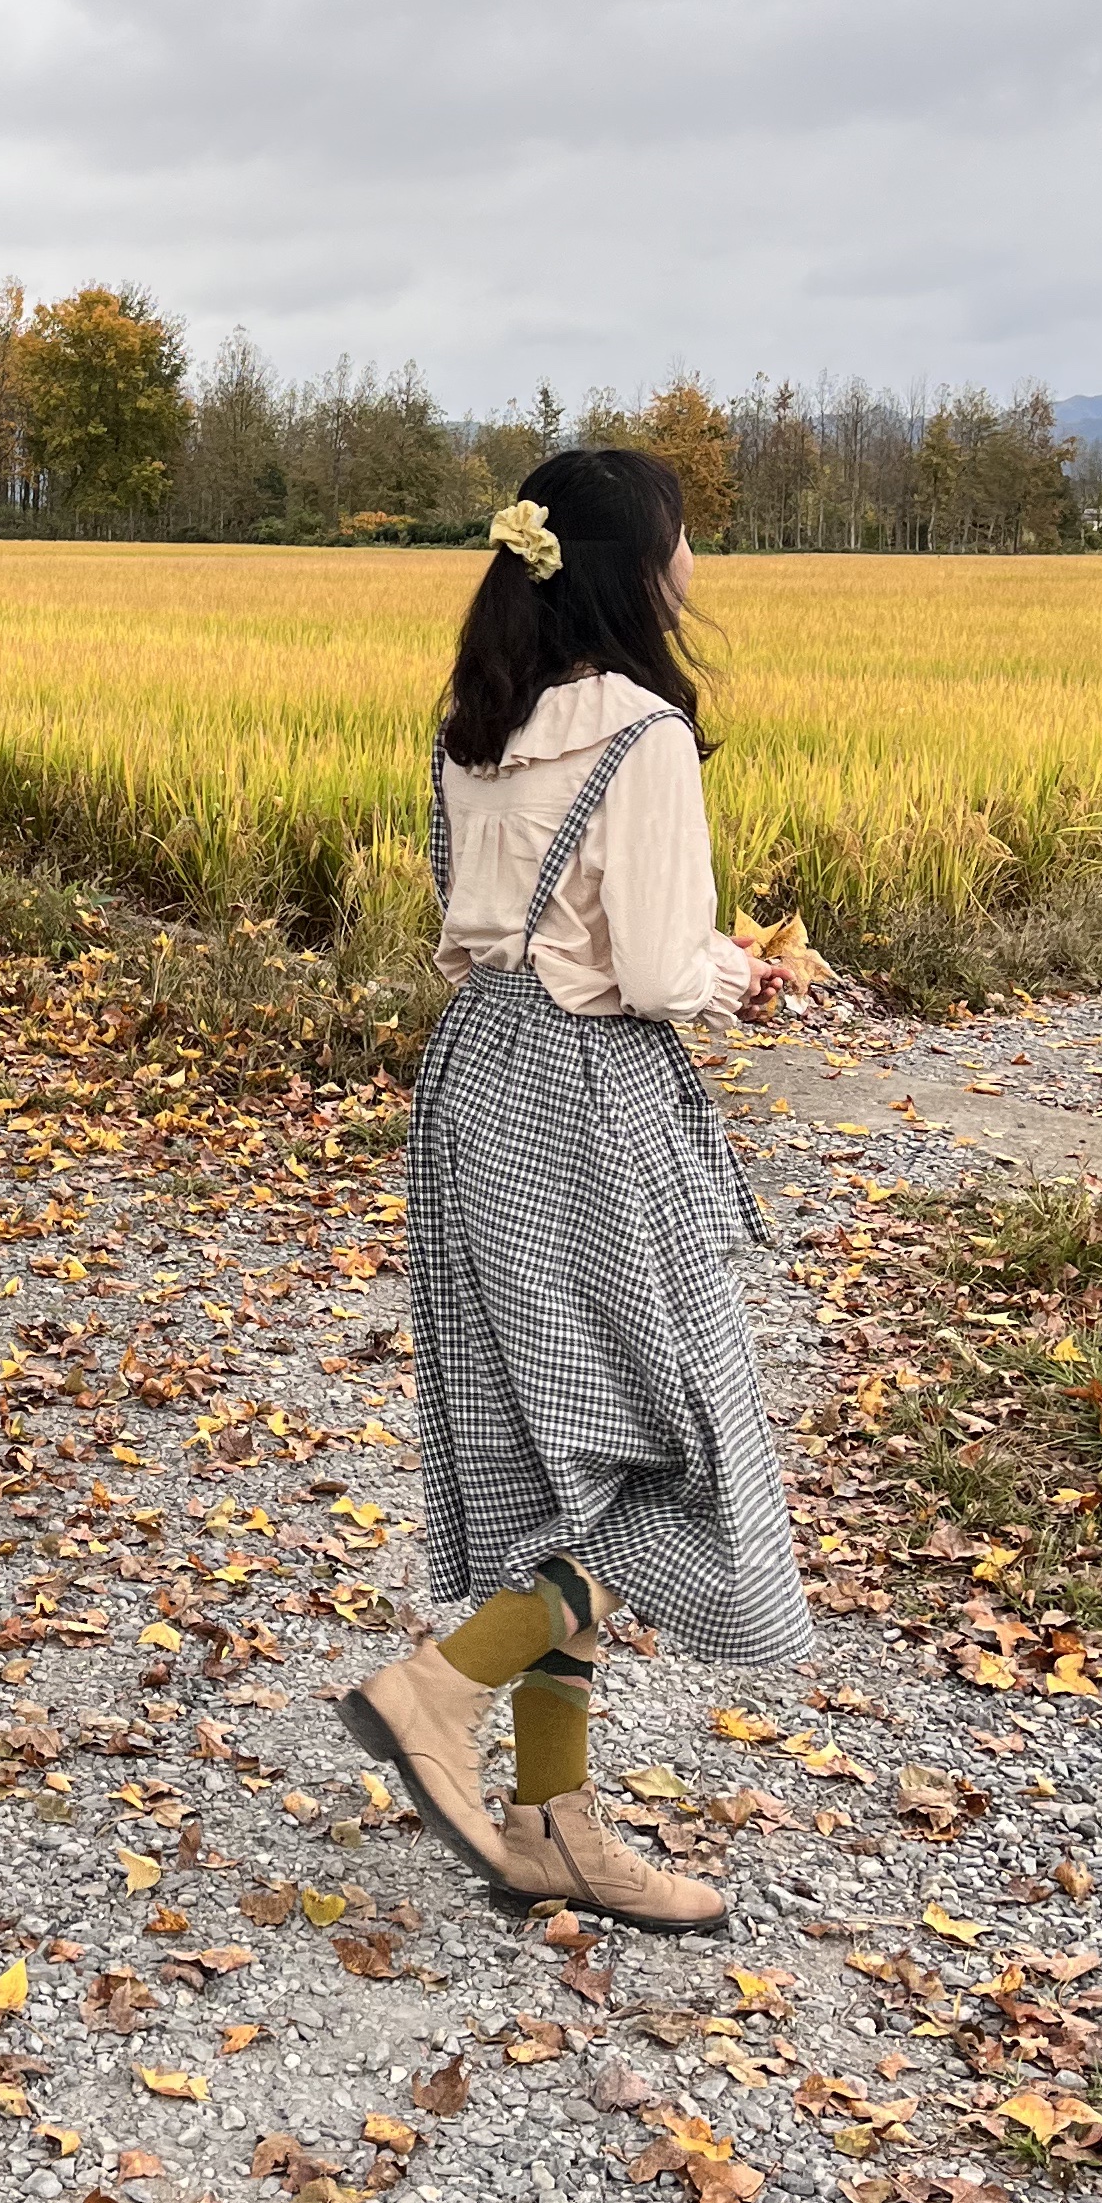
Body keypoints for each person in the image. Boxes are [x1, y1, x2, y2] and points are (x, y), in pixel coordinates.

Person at [338, 446, 809, 1932]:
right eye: (685, 536)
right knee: (679, 1457)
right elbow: (662, 973)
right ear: (630, 562)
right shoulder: (645, 735)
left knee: (556, 1461)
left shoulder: (476, 725)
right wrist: (754, 972)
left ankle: (555, 1820)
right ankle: (437, 1690)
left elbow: (476, 933)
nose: (695, 564)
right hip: (591, 1100)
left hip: (475, 1080)